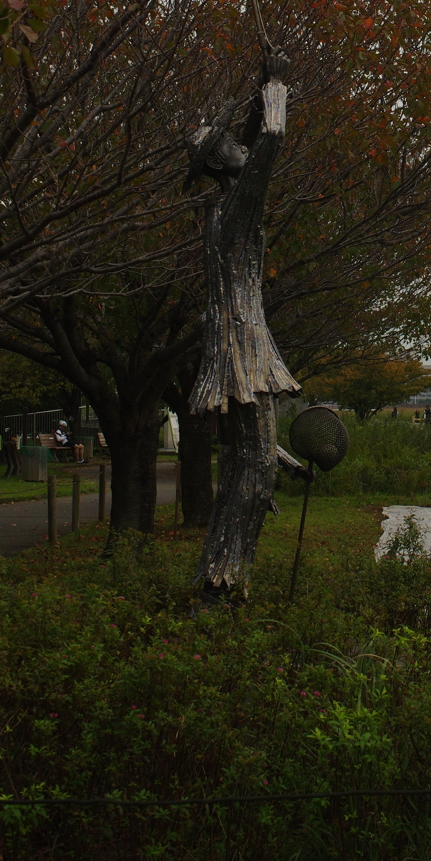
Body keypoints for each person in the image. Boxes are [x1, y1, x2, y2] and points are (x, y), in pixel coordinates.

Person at [187, 52, 309, 602]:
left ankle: (219, 575)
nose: (239, 144)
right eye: (228, 145)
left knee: (250, 458)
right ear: (220, 161)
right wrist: (277, 87)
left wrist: (262, 80)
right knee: (253, 473)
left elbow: (250, 139)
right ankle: (223, 582)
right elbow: (272, 140)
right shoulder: (236, 204)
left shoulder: (217, 209)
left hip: (231, 344)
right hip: (243, 348)